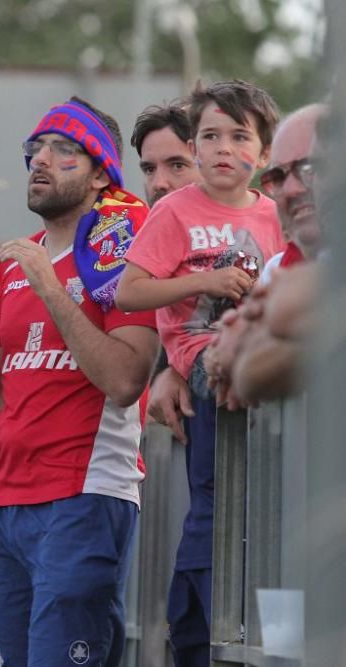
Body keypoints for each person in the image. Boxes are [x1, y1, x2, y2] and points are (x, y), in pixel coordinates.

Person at [0, 97, 158, 667]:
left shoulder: (122, 246)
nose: (41, 159)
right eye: (34, 148)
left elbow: (123, 379)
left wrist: (51, 286)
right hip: (1, 501)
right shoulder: (14, 262)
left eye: (63, 149)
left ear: (100, 172)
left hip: (83, 496)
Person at [115, 80, 283, 667]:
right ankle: (211, 625)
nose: (222, 148)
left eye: (239, 137)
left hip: (265, 364)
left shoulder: (274, 212)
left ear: (264, 155)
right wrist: (204, 282)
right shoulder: (174, 211)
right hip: (208, 363)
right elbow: (130, 292)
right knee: (216, 498)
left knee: (267, 508)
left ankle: (196, 626)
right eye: (209, 136)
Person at [205, 103, 327, 404]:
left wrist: (247, 344)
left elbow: (251, 368)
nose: (292, 189)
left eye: (310, 169)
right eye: (278, 178)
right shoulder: (275, 269)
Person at [129, 101, 203, 443]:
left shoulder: (263, 230)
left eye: (177, 165)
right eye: (148, 169)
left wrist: (179, 369)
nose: (159, 183)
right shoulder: (131, 255)